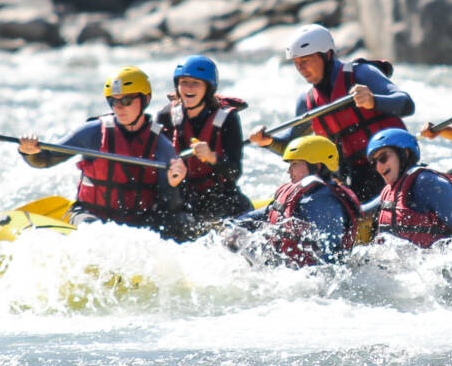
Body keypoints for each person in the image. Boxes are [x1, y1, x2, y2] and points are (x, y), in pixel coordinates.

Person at [249, 24, 414, 203]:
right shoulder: (307, 102)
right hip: (353, 178)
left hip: (392, 167)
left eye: (306, 61)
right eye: (297, 64)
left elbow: (406, 104)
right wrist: (268, 142)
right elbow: (291, 146)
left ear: (327, 55)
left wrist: (373, 100)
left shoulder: (362, 73)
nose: (301, 69)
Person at [18, 65, 189, 237]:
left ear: (145, 99)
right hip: (88, 214)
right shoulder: (92, 132)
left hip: (135, 220)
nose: (119, 107)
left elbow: (168, 204)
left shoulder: (161, 145)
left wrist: (173, 185)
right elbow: (45, 160)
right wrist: (29, 152)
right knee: (94, 230)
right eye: (114, 101)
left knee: (173, 223)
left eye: (126, 101)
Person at [155, 54, 251, 225]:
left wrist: (212, 158)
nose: (189, 88)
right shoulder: (165, 116)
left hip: (220, 196)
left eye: (196, 83)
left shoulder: (227, 118)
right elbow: (150, 156)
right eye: (184, 82)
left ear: (208, 88)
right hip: (183, 198)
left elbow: (234, 172)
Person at [243, 134, 362, 266]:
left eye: (294, 164)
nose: (289, 171)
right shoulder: (296, 193)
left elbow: (330, 256)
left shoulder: (324, 201)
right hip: (283, 267)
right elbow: (264, 213)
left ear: (317, 166)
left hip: (308, 277)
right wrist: (235, 227)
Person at [367, 127, 452, 248]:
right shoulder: (389, 191)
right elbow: (362, 212)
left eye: (383, 158)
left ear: (405, 153)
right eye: (374, 162)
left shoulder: (427, 182)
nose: (378, 167)